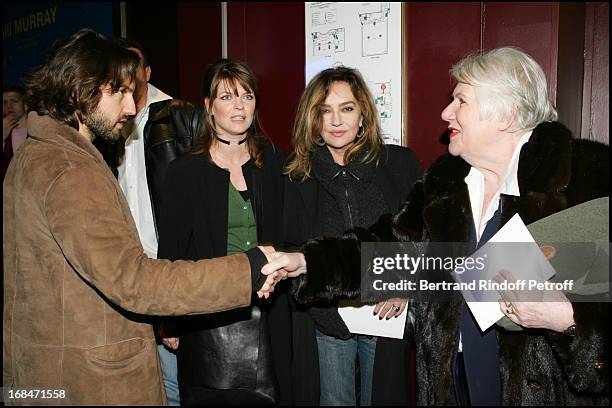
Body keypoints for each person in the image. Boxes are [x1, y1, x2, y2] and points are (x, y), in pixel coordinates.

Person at [265, 47, 609, 405]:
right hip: (453, 387)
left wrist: (568, 320)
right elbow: (392, 249)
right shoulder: (446, 180)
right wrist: (308, 262)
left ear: (505, 113)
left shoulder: (585, 179)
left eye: (460, 100)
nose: (446, 112)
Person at [2, 29, 296, 406]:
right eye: (120, 92)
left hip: (44, 373)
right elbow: (134, 280)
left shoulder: (34, 156)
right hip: (81, 379)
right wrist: (249, 267)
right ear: (82, 89)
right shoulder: (67, 170)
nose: (130, 106)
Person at [283, 66, 422, 406]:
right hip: (327, 314)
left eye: (346, 108)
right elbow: (289, 248)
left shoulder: (398, 164)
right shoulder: (295, 176)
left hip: (384, 313)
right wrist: (321, 310)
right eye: (324, 111)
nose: (336, 120)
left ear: (363, 114)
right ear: (312, 120)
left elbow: (421, 235)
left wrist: (406, 286)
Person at [156, 58, 291, 405]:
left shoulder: (274, 161)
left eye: (246, 96)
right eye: (227, 97)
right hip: (208, 319)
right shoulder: (184, 172)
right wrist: (169, 319)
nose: (239, 106)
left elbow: (289, 235)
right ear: (208, 106)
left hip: (270, 314)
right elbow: (171, 251)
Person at [93, 37, 201, 406]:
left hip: (169, 262)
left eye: (133, 64)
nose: (127, 74)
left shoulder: (177, 114)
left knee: (180, 375)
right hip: (126, 264)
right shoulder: (106, 123)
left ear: (147, 72)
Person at [2, 85, 28, 180]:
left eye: (14, 101)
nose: (9, 106)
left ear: (25, 104)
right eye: (4, 103)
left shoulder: (37, 131)